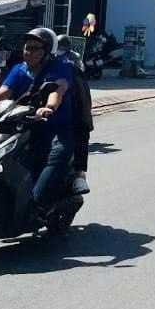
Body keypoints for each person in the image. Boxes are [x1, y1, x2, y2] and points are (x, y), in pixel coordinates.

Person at [0, 26, 76, 212]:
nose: (28, 52)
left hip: (56, 129)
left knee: (54, 161)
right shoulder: (19, 69)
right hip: (24, 126)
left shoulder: (60, 68)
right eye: (26, 47)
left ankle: (38, 206)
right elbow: (2, 92)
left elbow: (58, 90)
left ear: (47, 51)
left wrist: (49, 108)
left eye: (34, 48)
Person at [57, 35, 93, 195]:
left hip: (74, 101)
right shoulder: (45, 62)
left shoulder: (73, 63)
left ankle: (80, 174)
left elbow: (78, 78)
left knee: (81, 130)